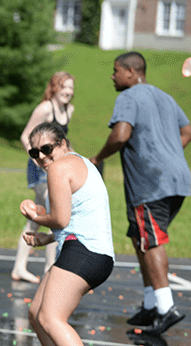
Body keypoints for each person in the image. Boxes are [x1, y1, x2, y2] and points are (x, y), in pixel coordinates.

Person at [91, 51, 190, 335]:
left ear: (132, 73)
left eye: (116, 71)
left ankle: (166, 307)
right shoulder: (165, 97)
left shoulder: (128, 97)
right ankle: (150, 304)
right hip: (176, 179)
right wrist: (169, 152)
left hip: (151, 182)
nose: (113, 76)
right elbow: (187, 130)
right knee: (140, 238)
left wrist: (98, 158)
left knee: (152, 241)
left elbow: (121, 134)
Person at [21, 122, 114, 345]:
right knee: (36, 314)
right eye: (35, 152)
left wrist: (34, 217)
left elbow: (60, 219)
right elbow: (79, 217)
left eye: (47, 149)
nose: (41, 157)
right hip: (88, 250)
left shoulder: (59, 168)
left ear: (62, 143)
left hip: (84, 251)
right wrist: (48, 237)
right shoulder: (80, 163)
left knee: (51, 318)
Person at [12, 71, 74, 284]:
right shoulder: (45, 108)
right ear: (55, 87)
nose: (68, 92)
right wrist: (38, 159)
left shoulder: (68, 110)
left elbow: (63, 140)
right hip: (39, 168)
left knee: (37, 218)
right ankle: (50, 269)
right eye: (64, 87)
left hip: (55, 167)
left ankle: (20, 267)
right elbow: (25, 134)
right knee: (54, 214)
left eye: (71, 88)